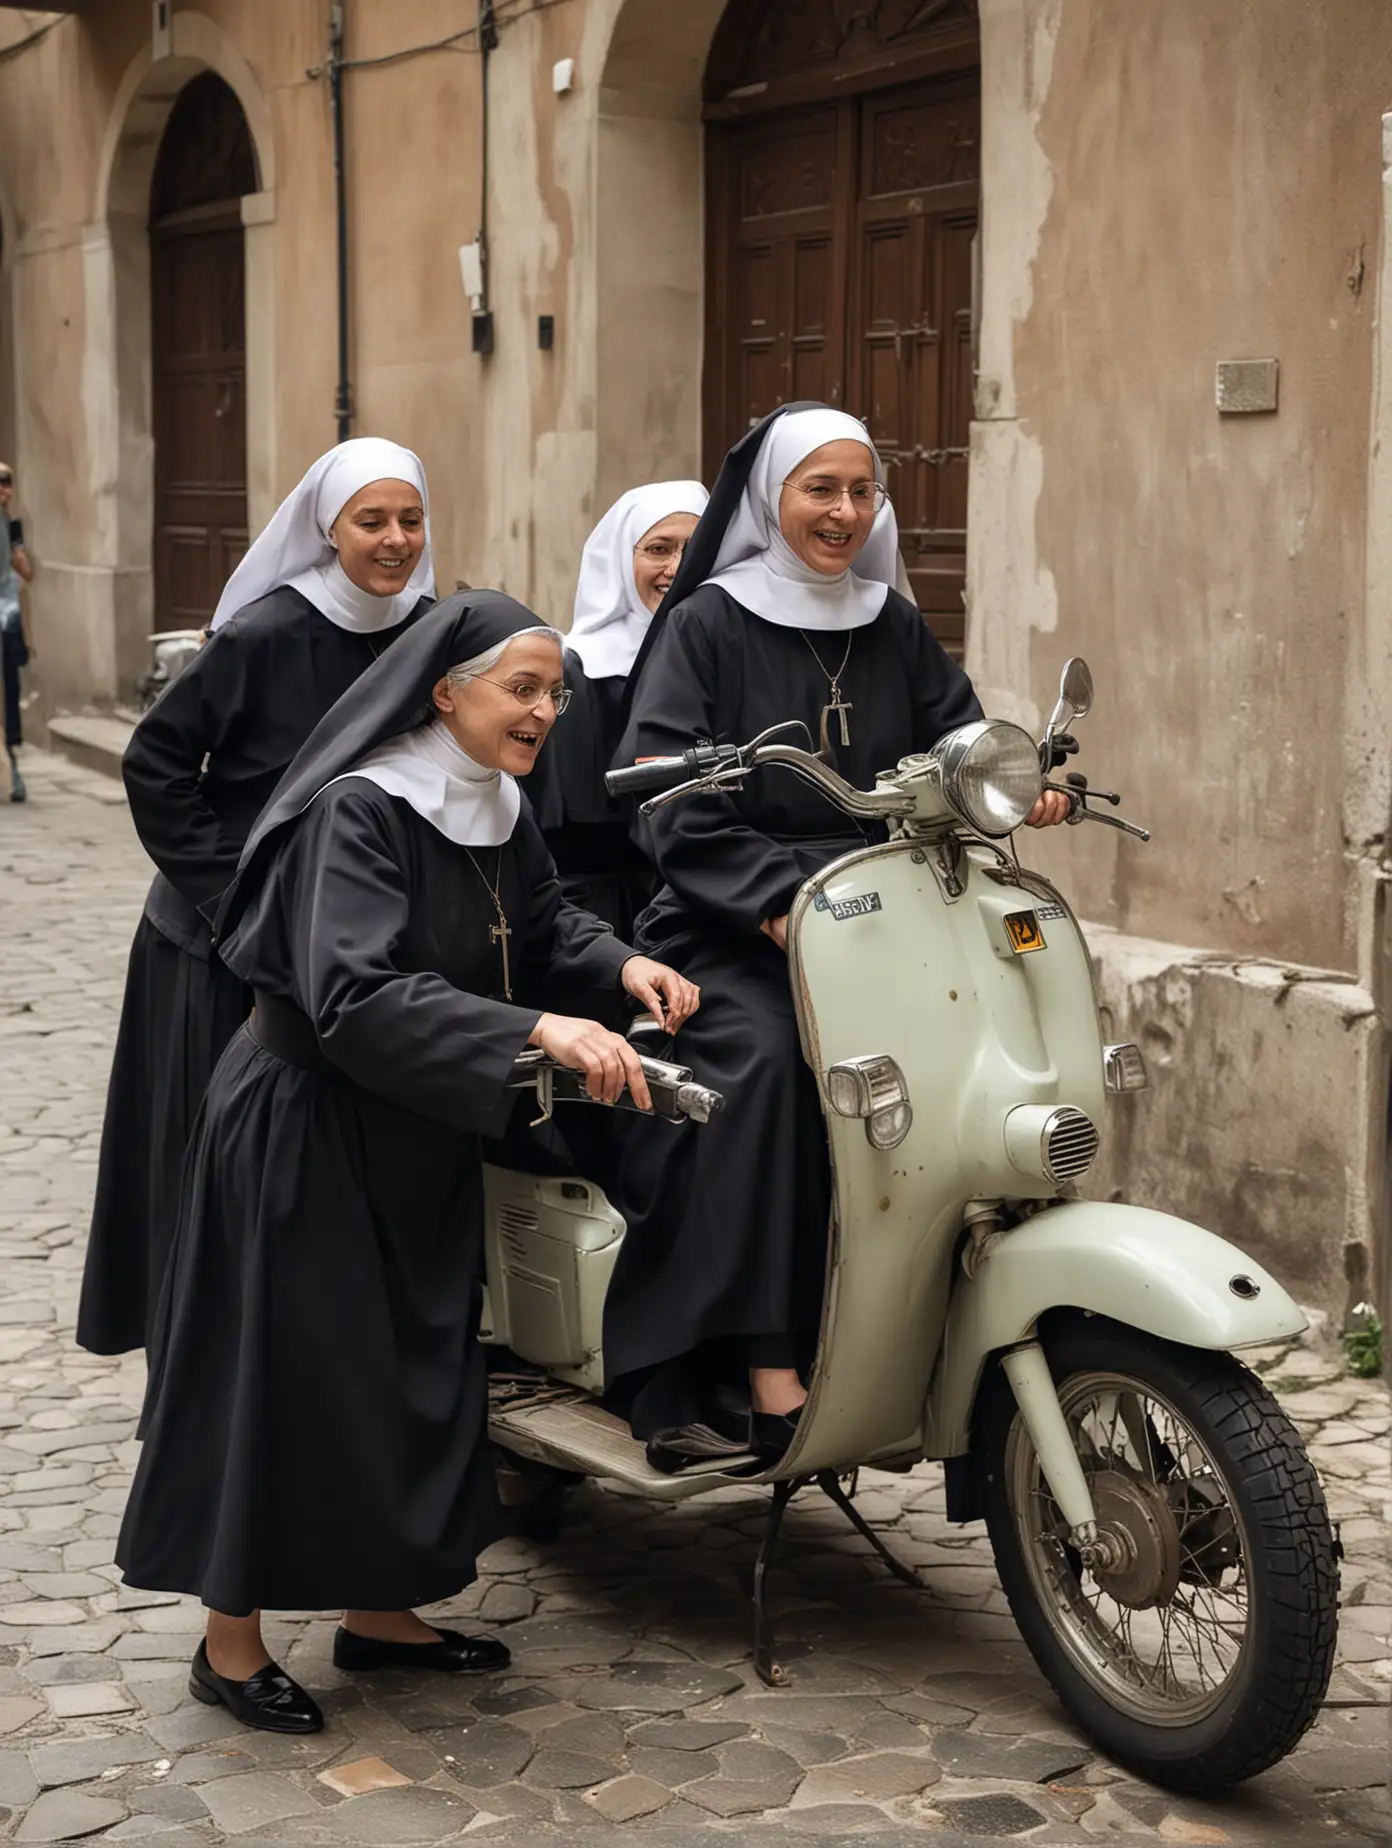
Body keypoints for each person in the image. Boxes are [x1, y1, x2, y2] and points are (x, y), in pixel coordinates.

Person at [116, 593, 699, 1735]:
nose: (544, 712)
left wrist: (621, 967)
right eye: (522, 689)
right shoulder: (362, 811)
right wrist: (535, 1032)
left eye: (555, 692)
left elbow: (539, 924)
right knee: (280, 1378)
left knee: (409, 1368)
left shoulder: (493, 803)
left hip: (416, 1129)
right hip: (306, 1128)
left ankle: (380, 1614)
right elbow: (352, 995)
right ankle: (227, 1649)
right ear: (446, 692)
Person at [604, 404, 1071, 1469]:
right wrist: (778, 904)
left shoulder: (891, 622)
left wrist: (1019, 787)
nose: (846, 512)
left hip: (891, 912)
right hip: (734, 923)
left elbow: (956, 738)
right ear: (774, 497)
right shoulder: (708, 623)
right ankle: (760, 1361)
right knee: (768, 1068)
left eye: (862, 490)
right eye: (822, 489)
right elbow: (669, 799)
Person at [79, 438, 436, 1359]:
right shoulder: (265, 634)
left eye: (410, 519)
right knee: (217, 1169)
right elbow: (155, 763)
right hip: (222, 945)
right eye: (372, 521)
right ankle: (202, 1378)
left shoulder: (433, 631)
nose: (395, 540)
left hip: (359, 935)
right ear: (328, 527)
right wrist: (230, 897)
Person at [528, 482, 709, 941]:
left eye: (694, 548)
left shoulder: (724, 662)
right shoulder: (575, 669)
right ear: (621, 562)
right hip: (598, 919)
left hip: (709, 906)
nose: (677, 567)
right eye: (658, 549)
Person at [0, 462, 34, 804]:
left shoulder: (12, 526)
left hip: (7, 614)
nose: (4, 490)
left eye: (7, 483)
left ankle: (12, 762)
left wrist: (17, 553)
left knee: (10, 686)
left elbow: (27, 571)